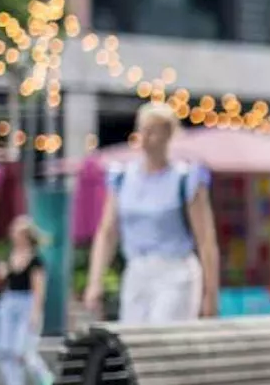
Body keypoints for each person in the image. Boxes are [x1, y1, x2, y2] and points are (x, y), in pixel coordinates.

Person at [83, 102, 220, 323]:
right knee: (133, 341)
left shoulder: (186, 178)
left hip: (175, 271)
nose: (145, 138)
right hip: (137, 270)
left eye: (153, 131)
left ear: (168, 134)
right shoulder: (122, 177)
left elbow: (206, 239)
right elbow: (107, 232)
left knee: (163, 334)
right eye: (142, 130)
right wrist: (95, 281)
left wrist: (211, 294)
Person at [0, 215, 54, 385]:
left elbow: (39, 289)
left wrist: (35, 313)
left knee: (23, 350)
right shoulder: (10, 255)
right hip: (9, 303)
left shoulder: (36, 260)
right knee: (5, 350)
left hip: (27, 303)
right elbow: (4, 280)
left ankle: (45, 379)